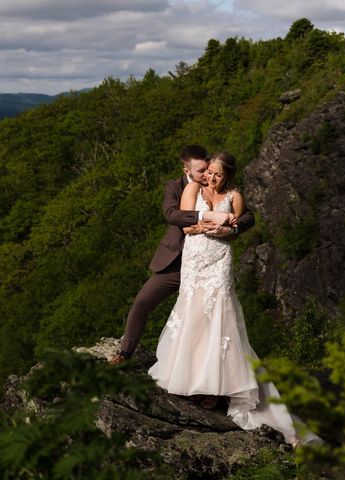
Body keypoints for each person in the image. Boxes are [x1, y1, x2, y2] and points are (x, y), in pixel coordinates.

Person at [147, 152, 309, 446]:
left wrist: (227, 229)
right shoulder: (193, 188)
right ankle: (191, 377)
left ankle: (214, 388)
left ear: (228, 177)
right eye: (209, 171)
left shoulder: (234, 196)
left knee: (220, 319)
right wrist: (206, 225)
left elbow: (236, 232)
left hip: (219, 259)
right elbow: (184, 225)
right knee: (194, 315)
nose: (211, 177)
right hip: (195, 260)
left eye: (218, 174)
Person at [110, 145, 255, 364]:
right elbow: (172, 215)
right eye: (202, 172)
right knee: (142, 302)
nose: (207, 176)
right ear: (187, 171)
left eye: (210, 170)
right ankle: (125, 353)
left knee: (207, 321)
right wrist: (209, 215)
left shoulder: (225, 188)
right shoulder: (175, 187)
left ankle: (208, 372)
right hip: (175, 263)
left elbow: (248, 216)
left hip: (212, 265)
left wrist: (232, 227)